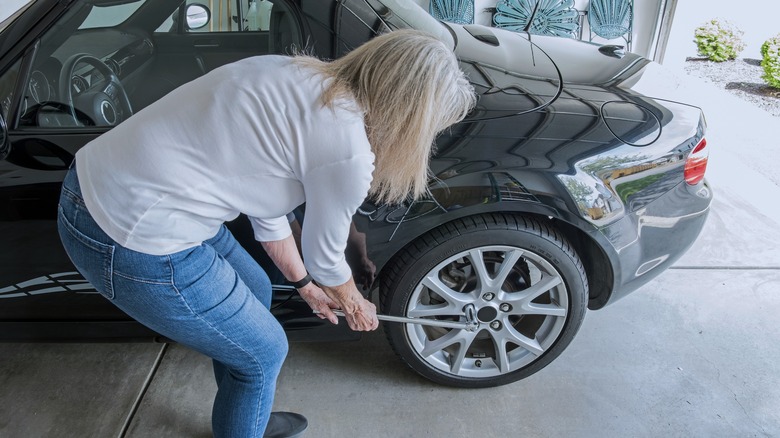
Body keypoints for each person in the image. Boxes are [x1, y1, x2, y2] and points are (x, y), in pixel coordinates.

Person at [57, 29, 475, 437]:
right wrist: (353, 300)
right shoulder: (348, 150)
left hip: (97, 184)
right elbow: (326, 258)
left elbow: (264, 202)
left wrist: (307, 286)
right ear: (410, 115)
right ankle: (245, 414)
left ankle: (244, 416)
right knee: (263, 355)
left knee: (255, 287)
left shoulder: (292, 73)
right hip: (131, 234)